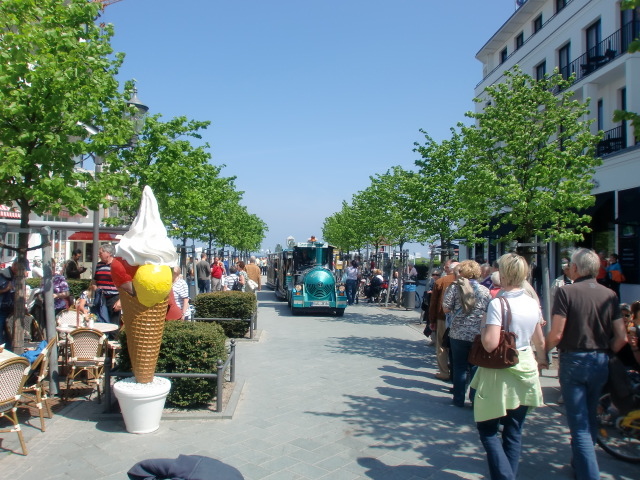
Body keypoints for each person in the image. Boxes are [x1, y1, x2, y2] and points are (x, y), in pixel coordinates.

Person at [546, 248, 627, 480]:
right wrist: (604, 350)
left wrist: (544, 352)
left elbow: (557, 333)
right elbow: (621, 336)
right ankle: (580, 462)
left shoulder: (567, 292)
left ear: (576, 268)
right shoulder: (609, 294)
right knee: (590, 416)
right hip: (600, 360)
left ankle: (588, 474)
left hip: (574, 360)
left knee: (578, 424)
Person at [471, 253, 547, 480]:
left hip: (499, 372)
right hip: (525, 365)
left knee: (488, 430)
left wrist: (484, 324)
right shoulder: (532, 303)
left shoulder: (497, 304)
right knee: (514, 431)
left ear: (502, 274)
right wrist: (542, 361)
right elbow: (540, 341)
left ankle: (505, 477)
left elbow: (490, 343)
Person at [442, 260, 491, 407]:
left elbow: (445, 308)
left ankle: (458, 399)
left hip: (458, 333)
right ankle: (475, 398)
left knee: (459, 366)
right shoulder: (484, 290)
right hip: (477, 334)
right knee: (475, 366)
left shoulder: (454, 288)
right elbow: (489, 310)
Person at [429, 260, 458, 381]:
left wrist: (432, 321)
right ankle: (457, 372)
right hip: (459, 319)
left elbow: (434, 303)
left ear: (448, 269)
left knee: (441, 345)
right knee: (455, 345)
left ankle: (444, 372)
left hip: (442, 317)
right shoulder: (466, 282)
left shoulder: (441, 282)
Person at [94, 244, 121, 326]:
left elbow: (124, 285)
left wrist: (120, 301)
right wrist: (95, 289)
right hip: (101, 298)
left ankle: (113, 339)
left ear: (108, 253)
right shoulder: (99, 265)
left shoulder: (117, 265)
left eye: (101, 253)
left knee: (113, 324)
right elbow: (95, 280)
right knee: (100, 323)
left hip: (113, 298)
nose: (99, 255)